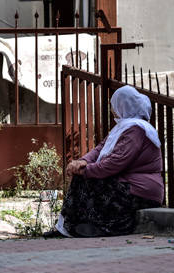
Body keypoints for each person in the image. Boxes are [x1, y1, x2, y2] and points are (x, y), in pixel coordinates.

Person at [48, 86, 163, 238]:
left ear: (123, 105)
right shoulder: (123, 127)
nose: (113, 110)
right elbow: (99, 149)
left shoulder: (136, 130)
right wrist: (81, 161)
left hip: (141, 191)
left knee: (85, 179)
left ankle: (77, 228)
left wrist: (85, 170)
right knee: (83, 179)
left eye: (115, 105)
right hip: (126, 184)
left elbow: (116, 162)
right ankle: (71, 227)